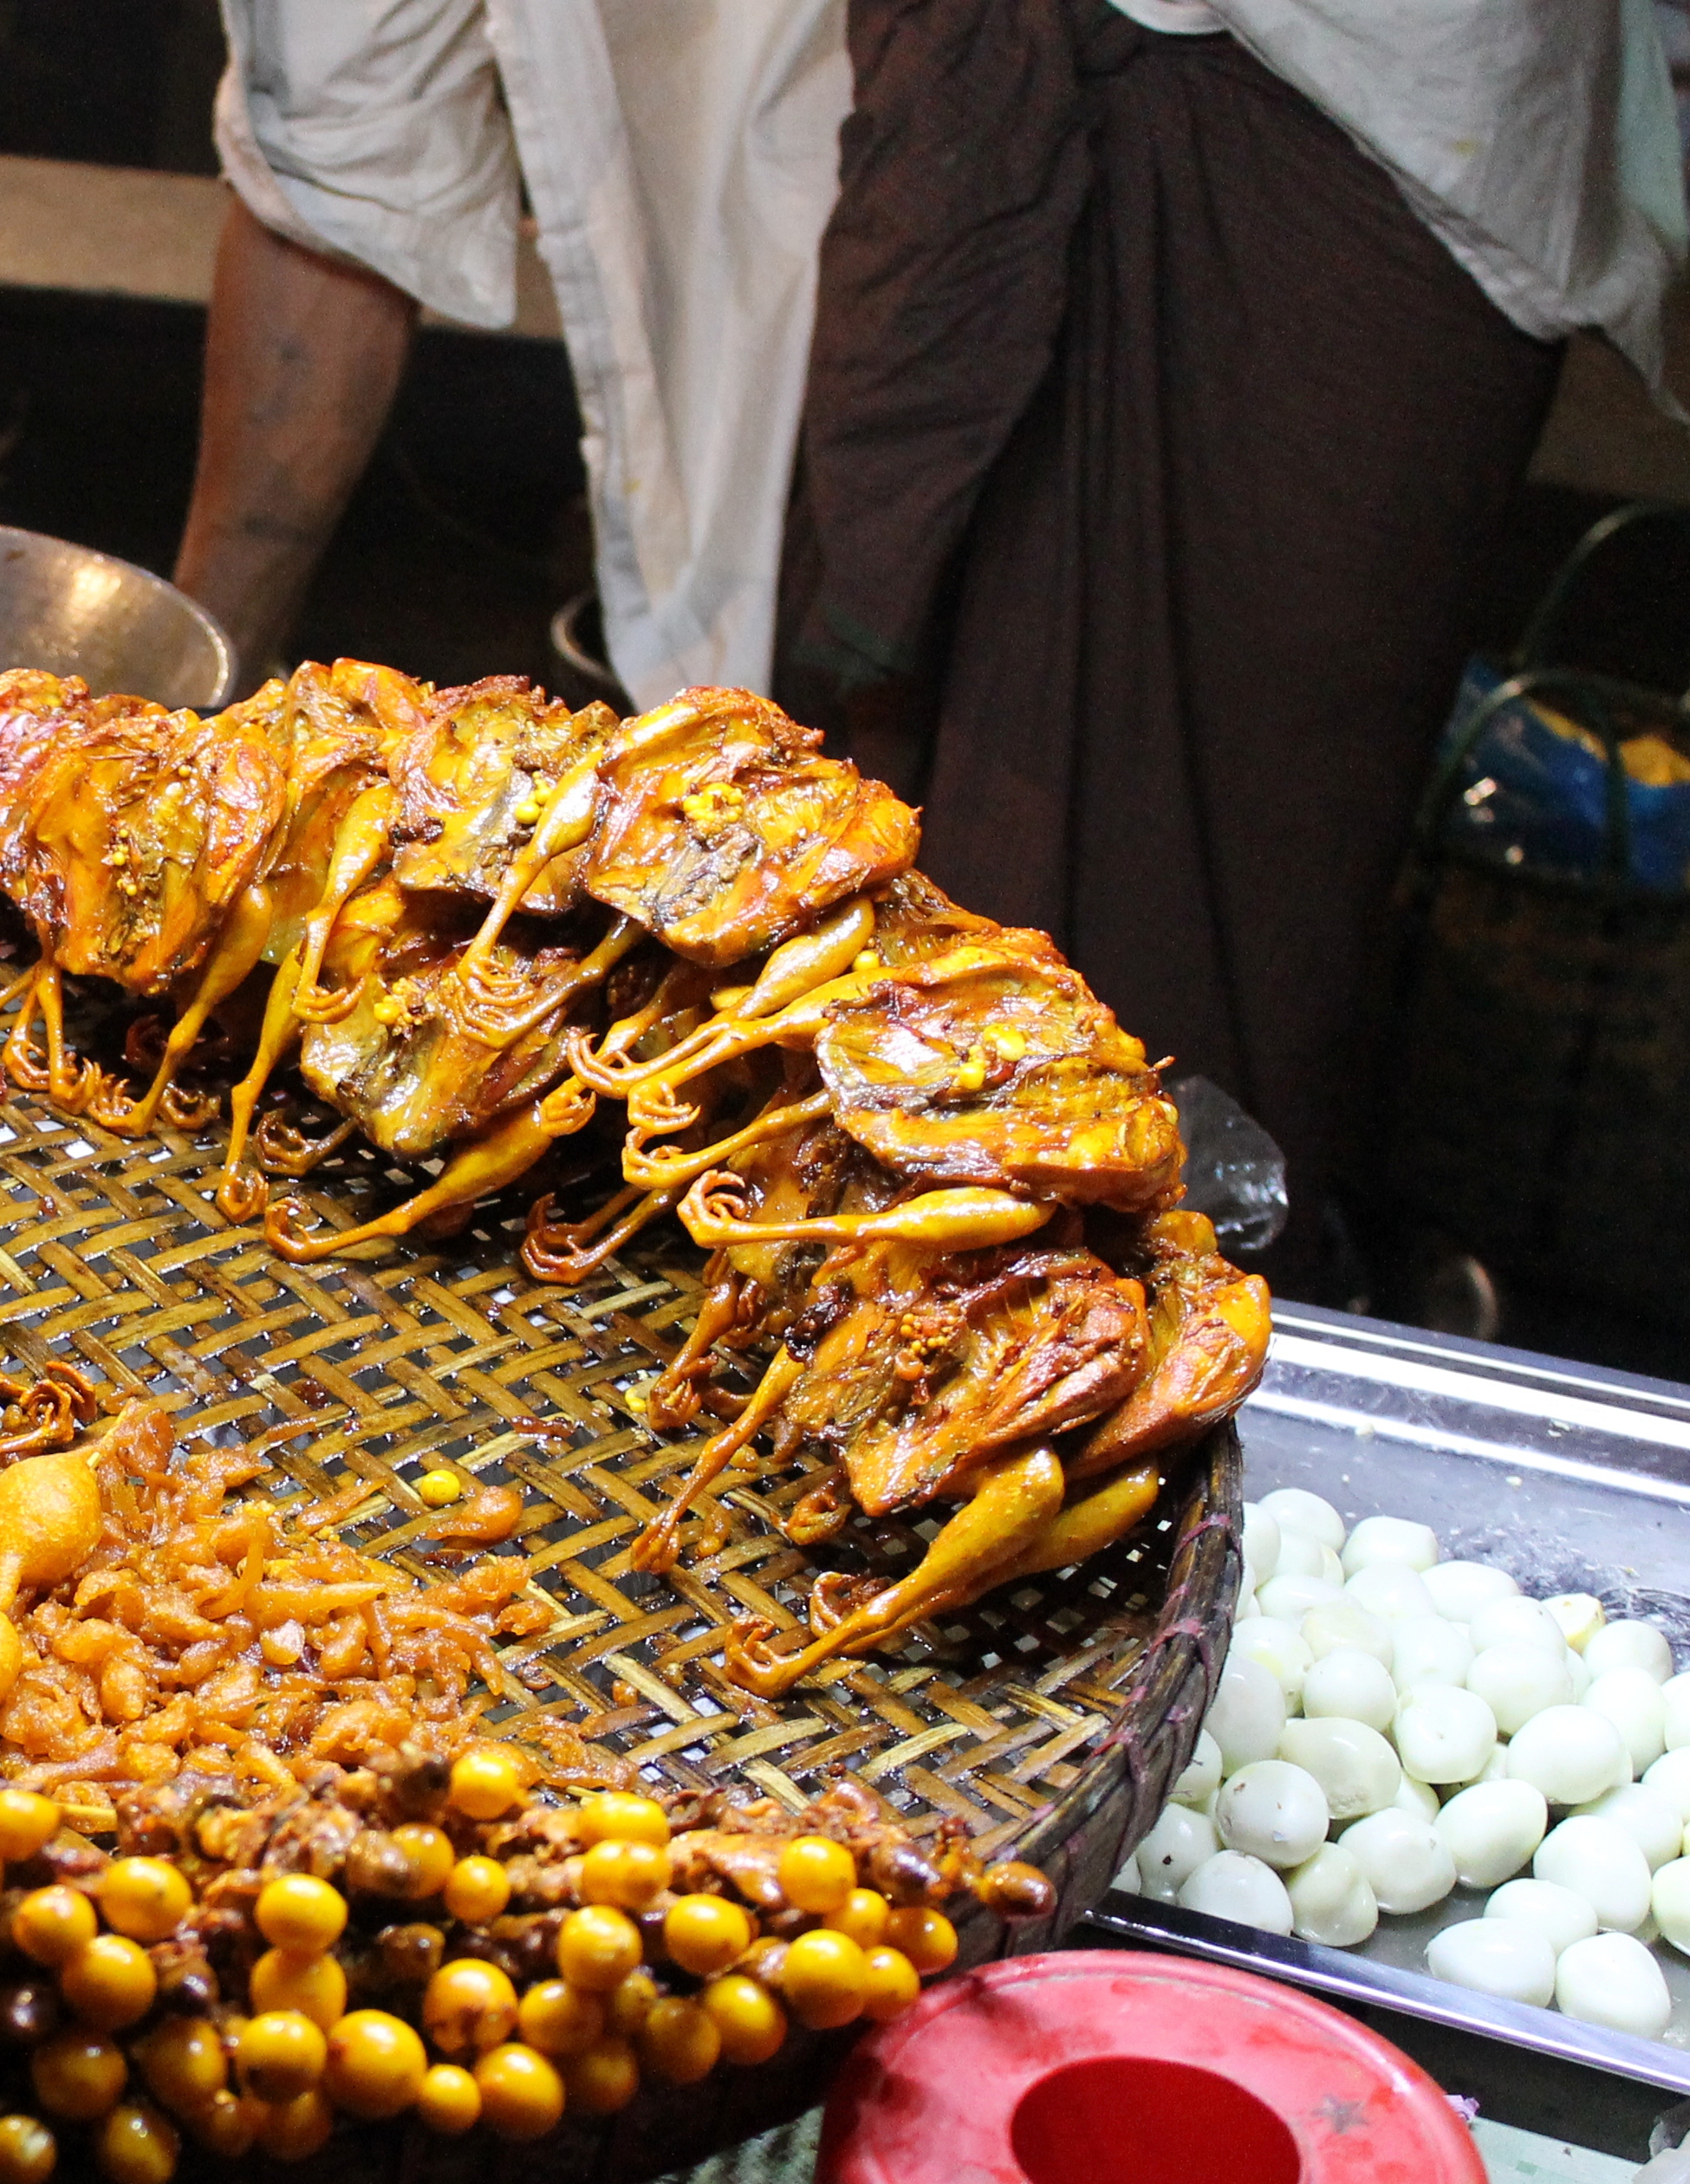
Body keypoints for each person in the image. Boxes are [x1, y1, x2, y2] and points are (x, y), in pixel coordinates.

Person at [174, 0, 1682, 1270]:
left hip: (1349, 119)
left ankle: (1167, 1421)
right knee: (845, 914)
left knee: (1183, 974)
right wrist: (195, 699)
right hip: (952, 114)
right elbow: (340, 129)